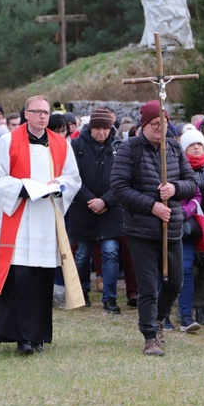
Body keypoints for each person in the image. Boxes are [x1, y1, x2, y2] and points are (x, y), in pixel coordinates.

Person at [0, 95, 81, 355]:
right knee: (20, 278)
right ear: (26, 114)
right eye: (36, 112)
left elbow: (73, 178)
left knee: (41, 279)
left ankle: (37, 336)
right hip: (19, 219)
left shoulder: (61, 144)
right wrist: (24, 188)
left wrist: (59, 187)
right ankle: (21, 337)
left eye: (46, 112)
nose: (42, 116)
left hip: (47, 219)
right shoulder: (8, 141)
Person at [110, 100, 198, 356]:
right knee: (148, 286)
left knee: (175, 284)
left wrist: (175, 189)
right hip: (142, 230)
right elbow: (119, 187)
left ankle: (160, 319)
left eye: (165, 123)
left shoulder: (173, 147)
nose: (161, 128)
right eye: (155, 124)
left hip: (172, 228)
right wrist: (152, 206)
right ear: (144, 125)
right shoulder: (130, 149)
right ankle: (149, 335)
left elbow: (191, 182)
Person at [69, 107, 124, 314]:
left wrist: (107, 200)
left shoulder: (119, 147)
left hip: (111, 210)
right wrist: (91, 200)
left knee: (111, 252)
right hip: (84, 209)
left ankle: (109, 298)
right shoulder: (76, 146)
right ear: (90, 128)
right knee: (82, 254)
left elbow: (123, 179)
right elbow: (72, 178)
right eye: (98, 128)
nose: (102, 133)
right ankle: (82, 292)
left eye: (106, 129)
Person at [179, 128, 204, 327]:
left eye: (199, 144)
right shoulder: (180, 171)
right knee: (189, 268)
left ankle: (202, 306)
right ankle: (184, 306)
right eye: (191, 145)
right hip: (187, 225)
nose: (196, 148)